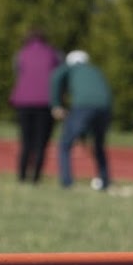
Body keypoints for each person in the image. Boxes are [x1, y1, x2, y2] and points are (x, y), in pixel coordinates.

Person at [49, 49, 113, 189]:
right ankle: (105, 180)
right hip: (105, 107)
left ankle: (66, 182)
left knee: (65, 144)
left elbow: (56, 77)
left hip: (83, 107)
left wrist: (56, 105)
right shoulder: (95, 70)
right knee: (99, 145)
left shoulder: (71, 68)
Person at [11, 32, 62, 184]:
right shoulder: (54, 54)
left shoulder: (21, 54)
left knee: (26, 141)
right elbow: (58, 76)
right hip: (46, 102)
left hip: (24, 101)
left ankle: (21, 176)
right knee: (41, 142)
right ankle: (36, 178)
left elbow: (18, 72)